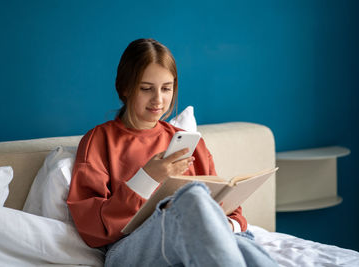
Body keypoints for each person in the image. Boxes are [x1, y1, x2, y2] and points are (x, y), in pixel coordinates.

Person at [67, 38, 277, 267]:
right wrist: (147, 178)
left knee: (243, 244)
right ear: (125, 87)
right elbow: (91, 230)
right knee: (192, 196)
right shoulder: (99, 140)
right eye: (146, 89)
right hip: (127, 249)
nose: (158, 99)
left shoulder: (190, 142)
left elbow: (233, 212)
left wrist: (226, 226)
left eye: (166, 89)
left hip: (191, 238)